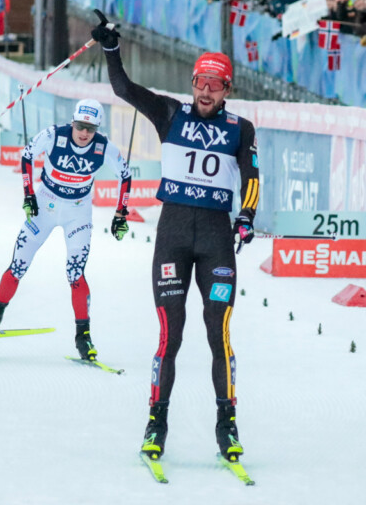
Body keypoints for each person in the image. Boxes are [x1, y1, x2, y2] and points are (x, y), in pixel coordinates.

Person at [91, 24, 259, 463]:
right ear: (192, 85)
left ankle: (228, 425)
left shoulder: (241, 128)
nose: (206, 92)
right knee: (171, 335)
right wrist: (111, 49)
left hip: (217, 244)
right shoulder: (170, 114)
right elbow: (124, 88)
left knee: (218, 334)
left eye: (215, 86)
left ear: (227, 89)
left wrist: (247, 216)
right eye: (201, 83)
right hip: (173, 239)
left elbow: (252, 176)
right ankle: (156, 422)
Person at [0, 99, 132, 361]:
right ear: (72, 122)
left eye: (91, 128)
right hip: (44, 206)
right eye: (80, 126)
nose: (84, 133)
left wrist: (121, 213)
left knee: (75, 273)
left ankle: (83, 337)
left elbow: (125, 175)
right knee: (18, 264)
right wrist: (29, 194)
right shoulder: (54, 135)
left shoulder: (104, 146)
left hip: (78, 213)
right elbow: (27, 155)